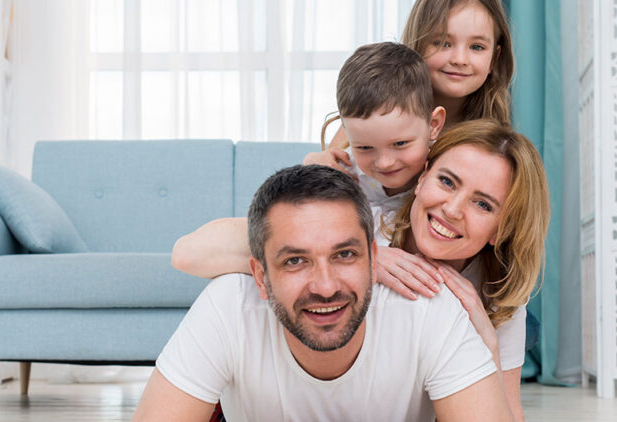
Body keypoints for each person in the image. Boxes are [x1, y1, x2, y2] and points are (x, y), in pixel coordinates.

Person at [133, 165, 511, 421]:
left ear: (373, 261)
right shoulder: (228, 306)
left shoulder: (430, 311)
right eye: (295, 261)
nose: (326, 287)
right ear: (260, 277)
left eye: (344, 255)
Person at [171, 41, 445, 278]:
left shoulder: (447, 181)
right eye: (364, 147)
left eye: (400, 144)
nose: (384, 162)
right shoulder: (342, 173)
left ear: (434, 125)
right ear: (346, 133)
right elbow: (186, 255)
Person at [382, 120, 549, 422]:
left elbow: (509, 413)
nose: (452, 209)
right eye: (447, 182)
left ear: (501, 230)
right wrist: (364, 259)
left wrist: (489, 343)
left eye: (482, 205)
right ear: (422, 178)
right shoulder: (365, 233)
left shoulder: (497, 292)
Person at [322, 0, 515, 150]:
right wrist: (318, 162)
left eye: (477, 47)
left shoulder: (493, 142)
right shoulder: (374, 109)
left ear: (494, 58)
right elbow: (328, 171)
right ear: (417, 44)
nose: (460, 59)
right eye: (443, 43)